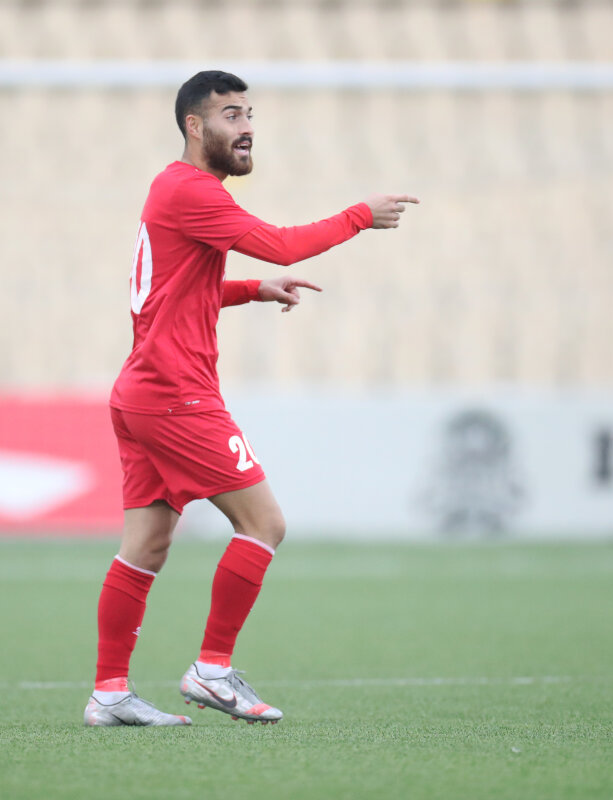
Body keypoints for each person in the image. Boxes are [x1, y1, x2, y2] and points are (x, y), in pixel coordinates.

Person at [84, 70, 418, 727]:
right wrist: (360, 215)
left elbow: (172, 293)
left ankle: (109, 693)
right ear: (194, 126)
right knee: (264, 525)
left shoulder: (173, 188)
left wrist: (249, 290)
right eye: (231, 115)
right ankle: (212, 670)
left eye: (250, 115)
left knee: (146, 546)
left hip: (141, 392)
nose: (247, 128)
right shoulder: (193, 190)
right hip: (177, 395)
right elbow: (283, 245)